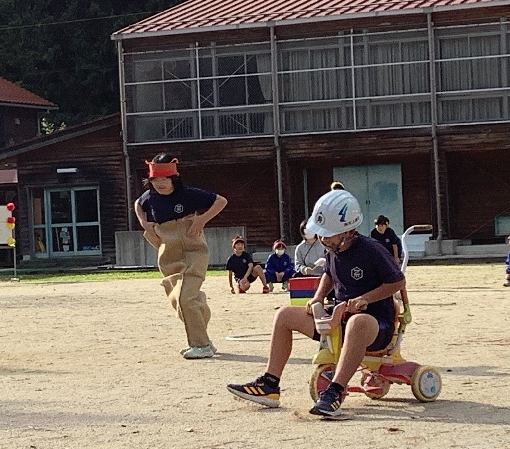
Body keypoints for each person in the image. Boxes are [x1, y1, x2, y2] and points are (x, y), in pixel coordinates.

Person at [227, 189, 405, 417]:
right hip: (340, 317)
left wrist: (364, 299)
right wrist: (319, 297)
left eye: (328, 234)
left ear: (349, 231)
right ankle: (270, 384)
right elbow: (329, 275)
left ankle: (336, 391)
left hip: (375, 325)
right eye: (320, 233)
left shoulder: (372, 250)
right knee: (284, 315)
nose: (323, 238)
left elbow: (398, 281)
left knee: (357, 323)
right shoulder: (333, 249)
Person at [134, 152, 227, 359]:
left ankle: (200, 345)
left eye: (164, 179)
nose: (160, 184)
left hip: (193, 251)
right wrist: (144, 223)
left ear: (173, 178)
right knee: (179, 299)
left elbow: (221, 201)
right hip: (167, 252)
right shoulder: (150, 197)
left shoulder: (188, 194)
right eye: (155, 180)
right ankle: (202, 323)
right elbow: (138, 205)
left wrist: (201, 220)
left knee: (186, 297)